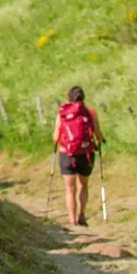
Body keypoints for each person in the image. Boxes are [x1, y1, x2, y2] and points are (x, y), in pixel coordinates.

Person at [52, 85, 102, 227]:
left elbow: (56, 137)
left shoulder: (62, 114)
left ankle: (72, 220)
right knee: (83, 185)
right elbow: (97, 134)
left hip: (66, 153)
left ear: (69, 98)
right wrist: (101, 141)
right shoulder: (90, 112)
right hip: (86, 153)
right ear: (83, 98)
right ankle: (82, 214)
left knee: (69, 188)